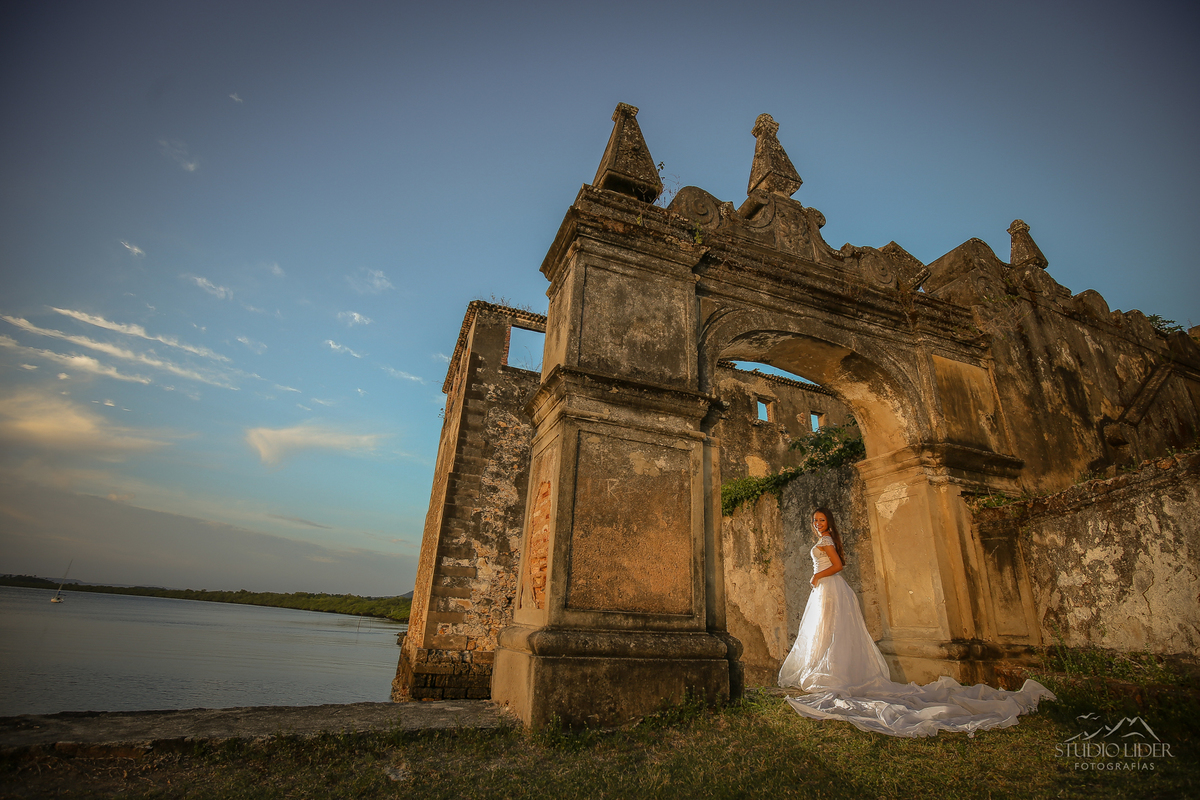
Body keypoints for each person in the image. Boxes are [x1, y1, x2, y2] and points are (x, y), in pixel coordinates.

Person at [777, 508, 1054, 737]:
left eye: (821, 520)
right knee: (826, 629)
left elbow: (837, 566)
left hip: (828, 585)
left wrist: (817, 577)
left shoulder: (826, 541)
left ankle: (831, 672)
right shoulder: (824, 539)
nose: (817, 523)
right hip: (827, 588)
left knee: (830, 629)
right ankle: (826, 668)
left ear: (829, 523)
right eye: (815, 520)